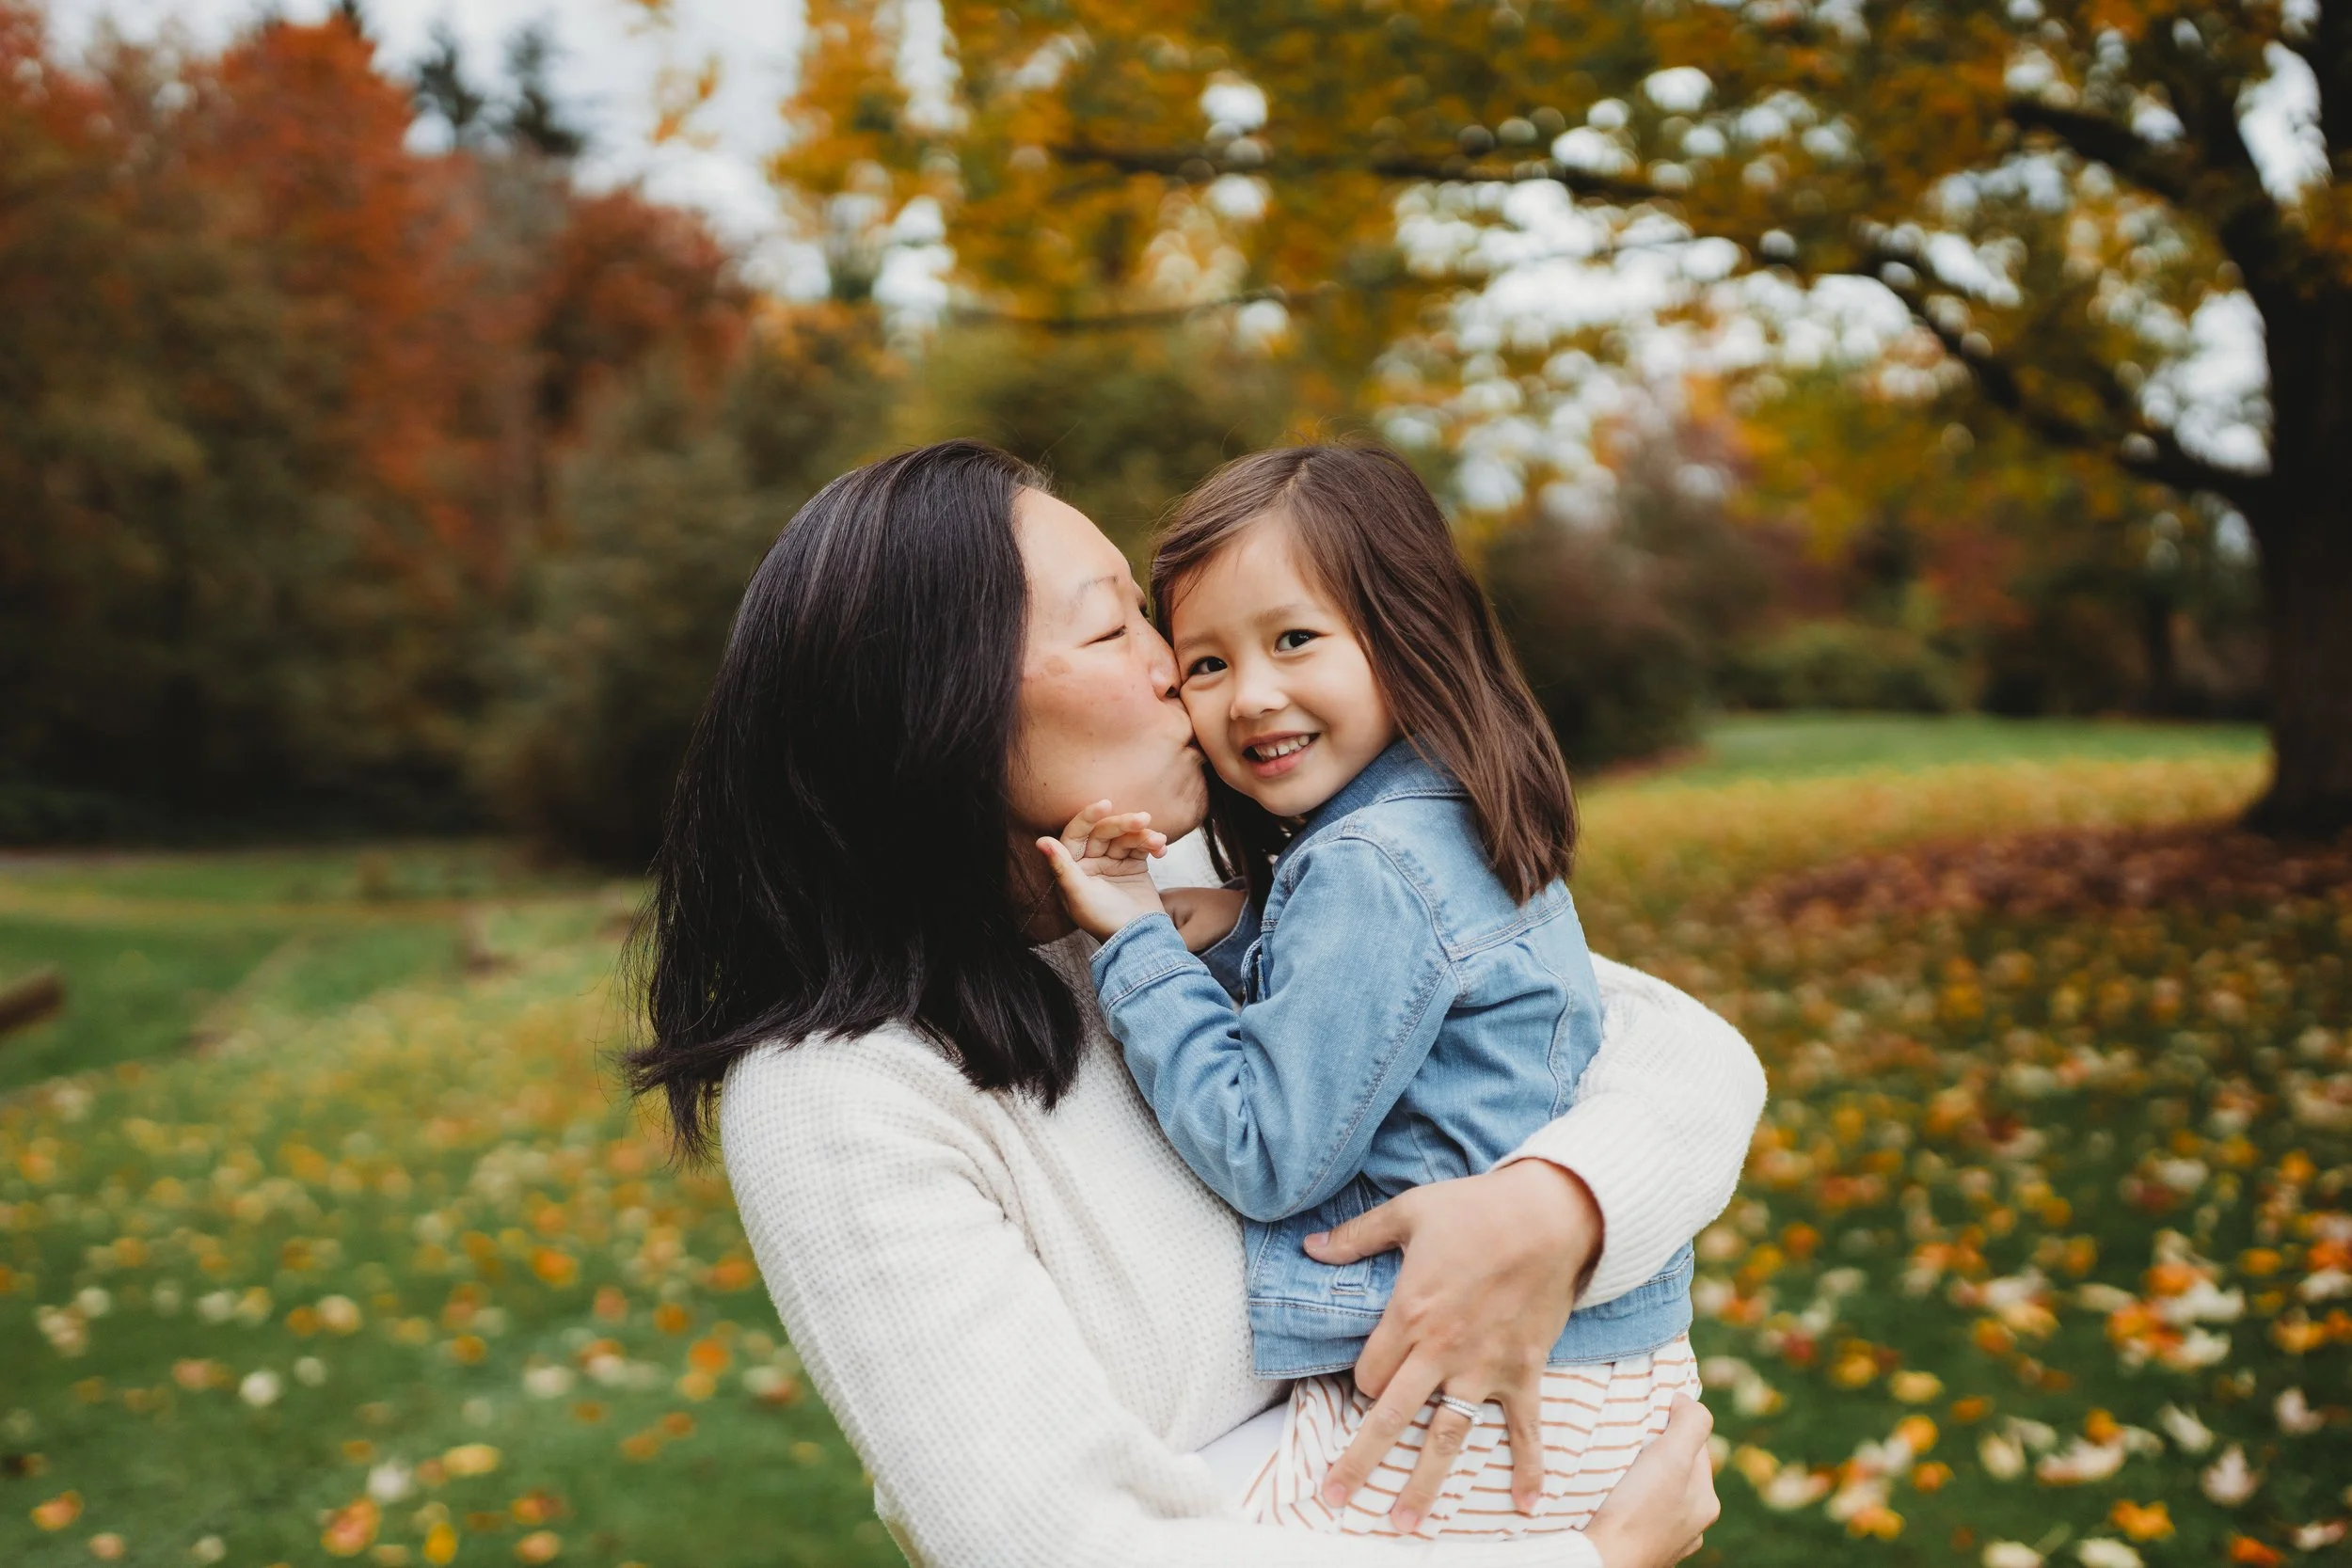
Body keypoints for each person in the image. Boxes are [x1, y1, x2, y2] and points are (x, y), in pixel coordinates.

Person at [625, 439, 1765, 1567]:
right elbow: (1062, 1545)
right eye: (1115, 622)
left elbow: (1676, 1045)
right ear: (942, 702)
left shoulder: (1171, 882)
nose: (1178, 663)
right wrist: (1584, 1562)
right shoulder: (843, 1095)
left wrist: (1556, 1206)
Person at [1036, 444, 1705, 1540]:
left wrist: (1141, 945)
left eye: (1294, 638)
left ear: (1404, 635)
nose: (1250, 696)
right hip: (1582, 1364)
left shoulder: (1371, 865)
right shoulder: (1425, 818)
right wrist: (1231, 930)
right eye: (1202, 664)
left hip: (1497, 1391)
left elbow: (1265, 1149)